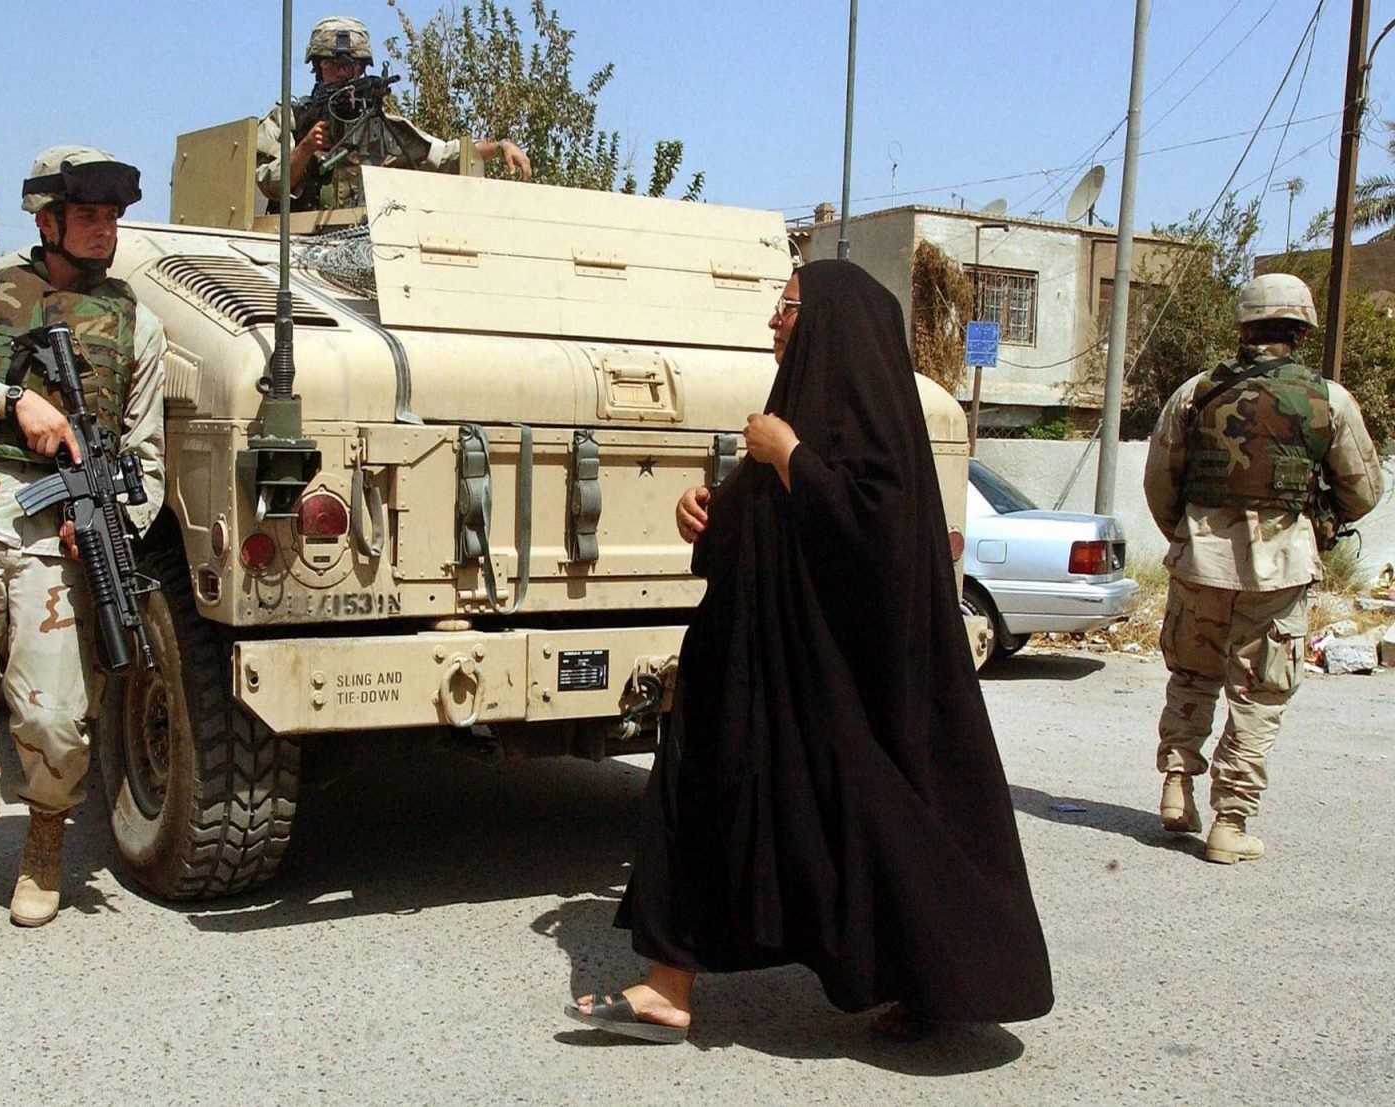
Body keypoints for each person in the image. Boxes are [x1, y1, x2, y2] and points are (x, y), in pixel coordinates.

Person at [566, 260, 1054, 1043]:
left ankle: (926, 980)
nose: (773, 322)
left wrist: (788, 455)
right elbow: (770, 524)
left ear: (828, 321)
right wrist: (709, 512)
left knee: (871, 827)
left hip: (838, 687)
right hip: (767, 671)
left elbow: (876, 530)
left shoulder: (862, 423)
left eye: (786, 307)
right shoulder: (796, 408)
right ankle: (668, 986)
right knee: (720, 800)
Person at [0, 146, 166, 955]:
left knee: (56, 714)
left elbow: (145, 458)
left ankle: (45, 845)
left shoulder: (137, 325)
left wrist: (112, 516)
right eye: (88, 215)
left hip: (57, 543)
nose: (104, 230)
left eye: (114, 217)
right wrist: (12, 403)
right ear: (46, 220)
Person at [1144, 272, 1381, 864]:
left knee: (1192, 678)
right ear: (1301, 330)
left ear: (1244, 327)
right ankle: (1230, 822)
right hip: (1281, 569)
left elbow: (1159, 482)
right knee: (1260, 693)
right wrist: (1314, 520)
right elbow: (1365, 489)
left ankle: (1177, 786)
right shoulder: (1329, 398)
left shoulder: (1195, 392)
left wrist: (1191, 532)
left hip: (1200, 559)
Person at [256, 15, 532, 212]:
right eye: (332, 64)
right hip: (294, 246)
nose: (342, 73)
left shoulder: (381, 126)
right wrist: (305, 149)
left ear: (362, 69)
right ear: (317, 67)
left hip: (359, 247)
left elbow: (446, 157)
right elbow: (267, 185)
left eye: (350, 65)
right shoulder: (289, 119)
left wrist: (500, 146)